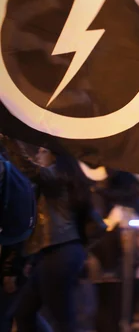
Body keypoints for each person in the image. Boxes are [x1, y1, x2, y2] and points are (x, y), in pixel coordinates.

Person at [1, 140, 91, 332]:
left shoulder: (57, 177)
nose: (38, 156)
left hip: (58, 251)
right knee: (24, 311)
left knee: (63, 318)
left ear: (55, 157)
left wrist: (8, 139)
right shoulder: (60, 182)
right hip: (55, 252)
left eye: (42, 152)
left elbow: (29, 169)